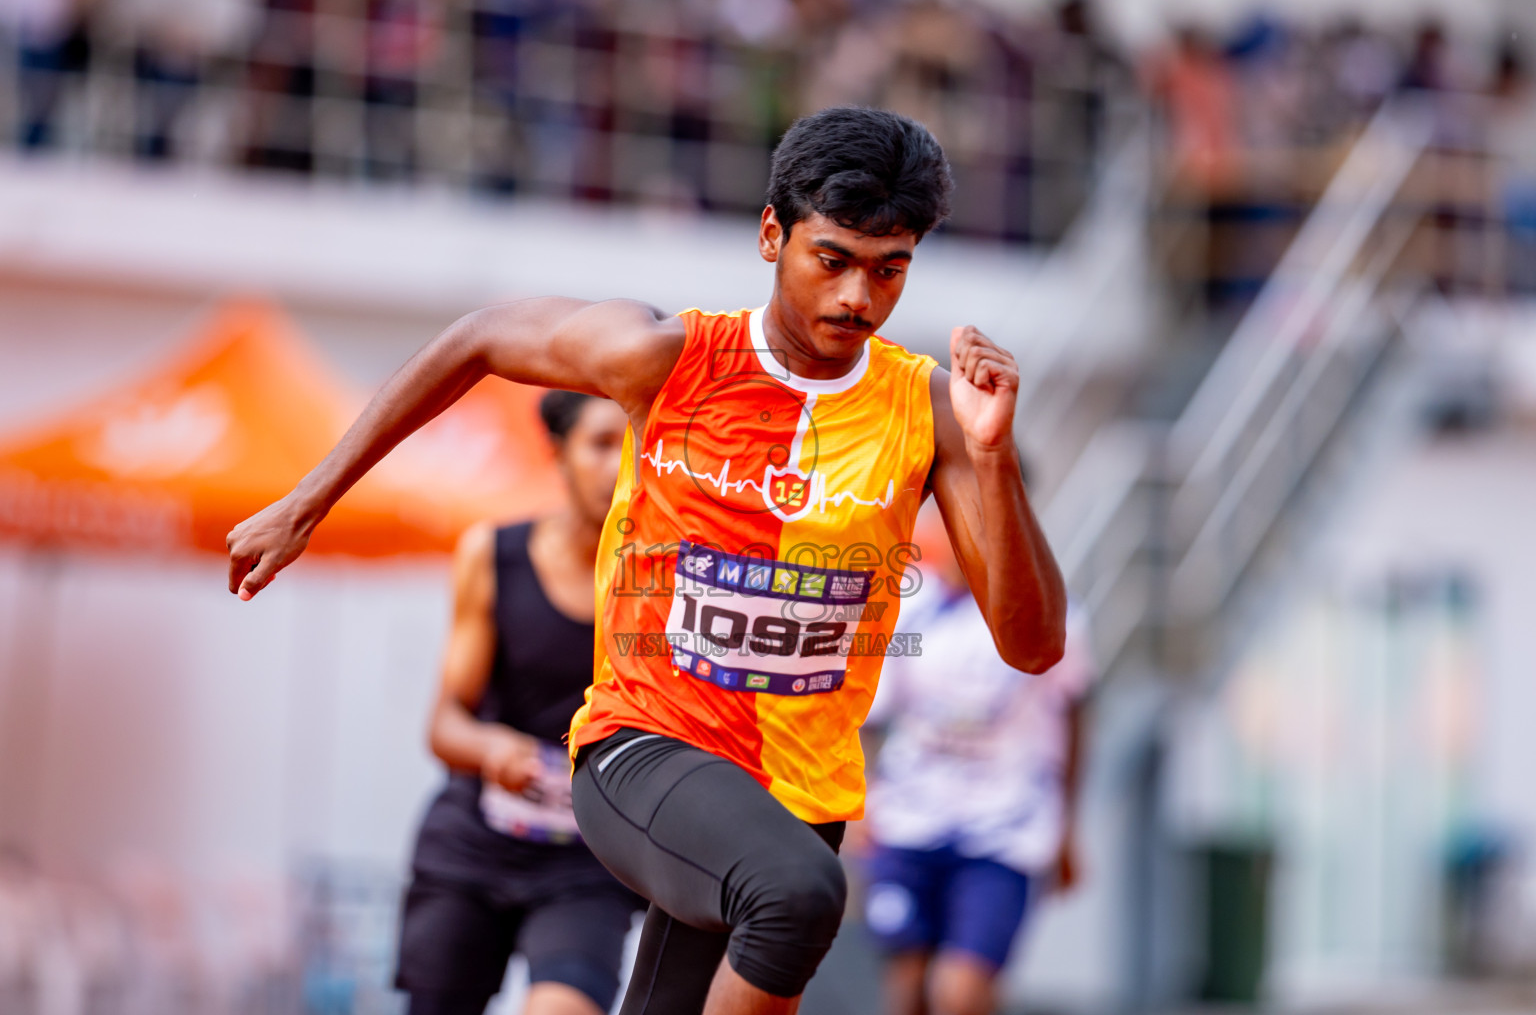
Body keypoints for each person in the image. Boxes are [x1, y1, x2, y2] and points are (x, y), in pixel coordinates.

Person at [226, 105, 1067, 1015]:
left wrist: (992, 457)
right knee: (799, 898)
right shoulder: (665, 359)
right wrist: (308, 499)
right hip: (644, 749)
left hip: (797, 793)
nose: (857, 299)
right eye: (833, 260)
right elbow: (477, 337)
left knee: (752, 920)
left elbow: (1032, 646)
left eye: (889, 269)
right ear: (771, 235)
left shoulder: (928, 411)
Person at [395, 391, 644, 1015]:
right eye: (601, 443)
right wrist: (491, 746)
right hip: (474, 842)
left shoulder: (673, 582)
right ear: (557, 451)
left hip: (589, 859)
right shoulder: (493, 554)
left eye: (638, 444)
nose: (623, 464)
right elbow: (445, 724)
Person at [856, 500, 1093, 1015]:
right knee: (907, 985)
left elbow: (1076, 714)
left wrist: (1069, 824)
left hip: (1005, 828)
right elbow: (869, 716)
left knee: (961, 992)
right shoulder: (903, 606)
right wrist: (859, 803)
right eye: (938, 511)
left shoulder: (1050, 614)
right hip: (909, 820)